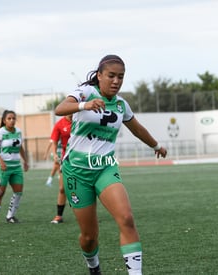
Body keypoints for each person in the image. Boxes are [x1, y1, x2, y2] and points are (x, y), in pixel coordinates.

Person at [55, 54, 167, 275]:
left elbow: (137, 129)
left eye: (121, 77)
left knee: (126, 218)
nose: (116, 81)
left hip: (105, 167)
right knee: (89, 237)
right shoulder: (86, 92)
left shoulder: (120, 104)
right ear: (99, 76)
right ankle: (93, 266)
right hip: (76, 172)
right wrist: (84, 105)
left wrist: (156, 146)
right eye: (111, 76)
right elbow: (60, 109)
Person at [0, 110, 29, 226]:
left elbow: (20, 147)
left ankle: (10, 216)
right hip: (3, 167)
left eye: (13, 118)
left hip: (16, 167)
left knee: (18, 192)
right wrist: (1, 161)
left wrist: (25, 161)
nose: (12, 120)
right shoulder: (0, 132)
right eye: (9, 118)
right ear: (4, 120)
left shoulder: (18, 132)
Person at [44, 114, 72, 224]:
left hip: (82, 158)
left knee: (85, 186)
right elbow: (53, 141)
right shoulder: (60, 124)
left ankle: (89, 214)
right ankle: (59, 216)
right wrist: (54, 153)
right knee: (62, 188)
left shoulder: (81, 120)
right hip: (67, 158)